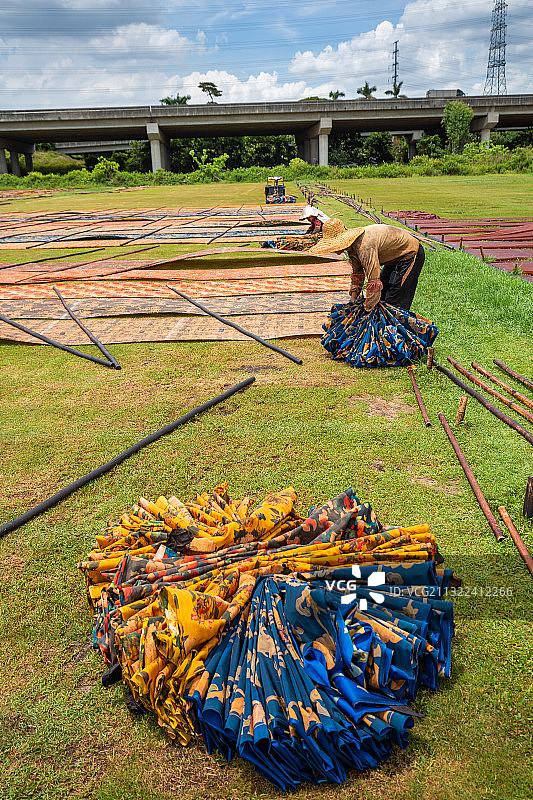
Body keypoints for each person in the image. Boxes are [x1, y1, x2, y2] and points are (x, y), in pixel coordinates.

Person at [308, 218, 425, 312]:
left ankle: (395, 331)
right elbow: (357, 274)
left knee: (395, 299)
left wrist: (367, 309)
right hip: (393, 258)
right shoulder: (352, 249)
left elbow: (374, 281)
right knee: (383, 295)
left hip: (410, 254)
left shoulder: (364, 247)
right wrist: (353, 300)